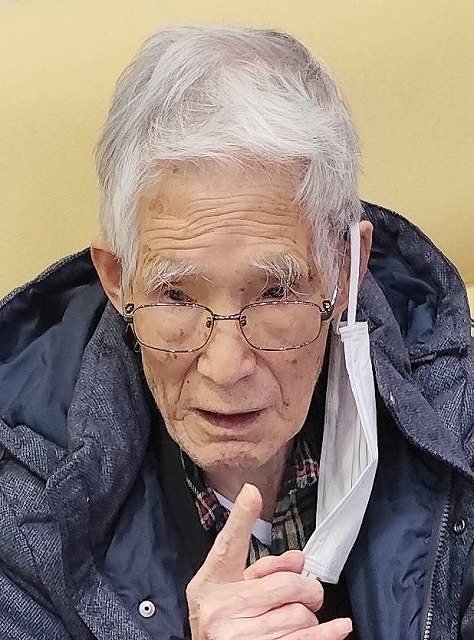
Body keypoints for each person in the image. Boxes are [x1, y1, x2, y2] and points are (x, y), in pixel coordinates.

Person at [0, 25, 472, 640]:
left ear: (345, 271)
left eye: (275, 293)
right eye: (176, 296)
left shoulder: (458, 417)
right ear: (118, 282)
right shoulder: (22, 507)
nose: (225, 367)